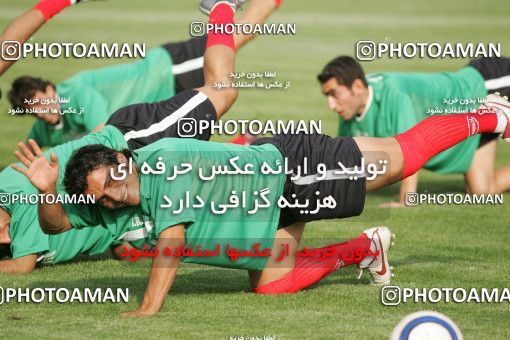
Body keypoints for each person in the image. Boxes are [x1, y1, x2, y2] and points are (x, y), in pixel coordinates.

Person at [13, 0, 510, 317]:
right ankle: (364, 248)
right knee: (272, 287)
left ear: (125, 157)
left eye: (117, 178)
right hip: (265, 206)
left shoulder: (155, 162)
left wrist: (147, 310)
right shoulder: (106, 192)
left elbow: (171, 241)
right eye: (108, 195)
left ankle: (485, 117)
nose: (117, 194)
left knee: (399, 158)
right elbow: (57, 227)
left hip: (295, 170)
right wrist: (46, 194)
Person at [4, 0, 281, 147]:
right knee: (187, 136)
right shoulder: (43, 130)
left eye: (41, 101)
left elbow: (104, 133)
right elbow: (31, 152)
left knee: (239, 38)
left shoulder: (74, 92)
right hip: (159, 101)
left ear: (50, 89)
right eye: (34, 110)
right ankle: (244, 143)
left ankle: (225, 5)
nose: (42, 110)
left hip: (165, 71)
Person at [318, 56, 510, 207]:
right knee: (481, 191)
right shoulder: (349, 113)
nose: (331, 105)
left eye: (334, 94)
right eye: (327, 96)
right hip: (473, 113)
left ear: (358, 87)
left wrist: (405, 200)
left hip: (487, 85)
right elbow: (343, 165)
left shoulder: (394, 93)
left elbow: (411, 150)